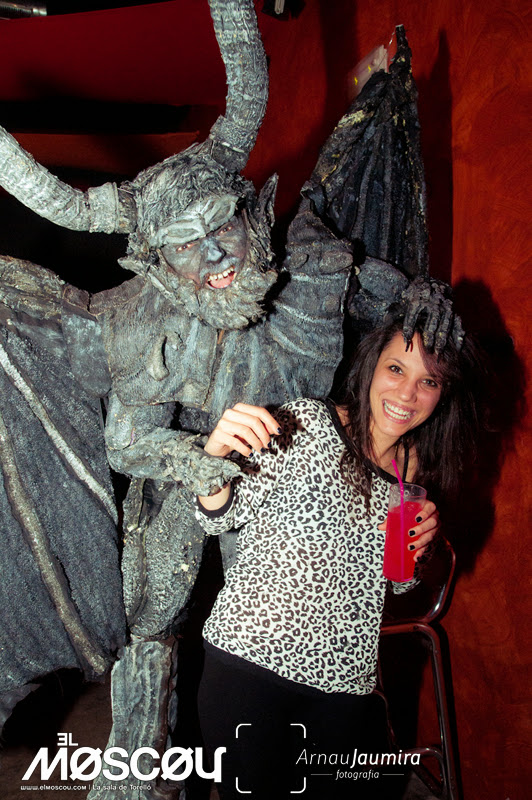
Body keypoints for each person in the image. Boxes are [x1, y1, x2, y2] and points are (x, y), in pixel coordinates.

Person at [194, 314, 482, 799]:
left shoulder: (414, 471)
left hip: (347, 679)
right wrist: (213, 460)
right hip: (252, 666)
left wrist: (424, 548)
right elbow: (219, 516)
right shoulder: (305, 424)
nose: (407, 393)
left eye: (428, 381)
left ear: (443, 393)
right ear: (372, 366)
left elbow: (397, 582)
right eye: (396, 369)